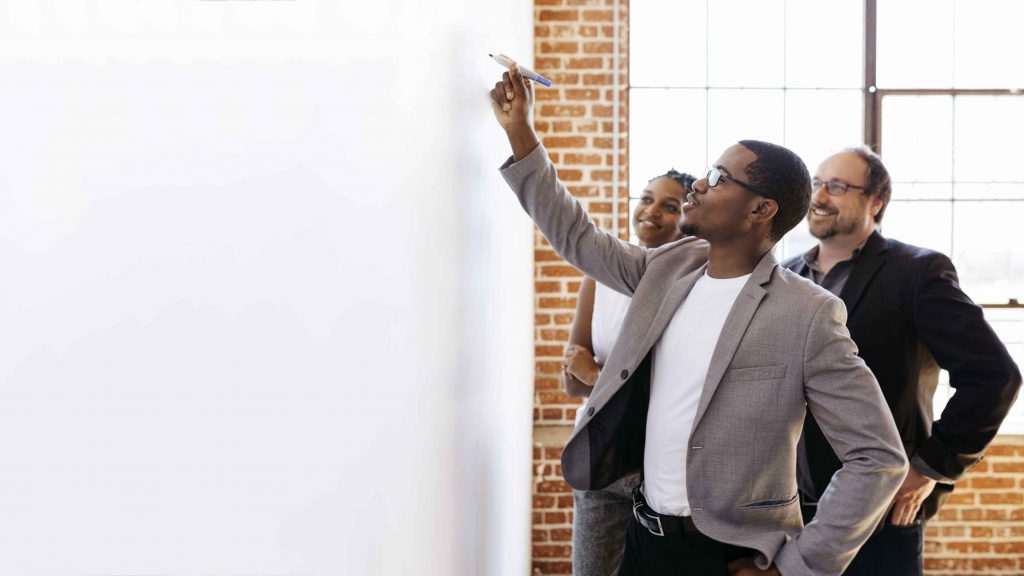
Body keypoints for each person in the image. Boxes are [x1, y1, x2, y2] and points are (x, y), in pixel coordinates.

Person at [490, 63, 908, 576]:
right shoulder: (668, 268)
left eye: (718, 178)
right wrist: (520, 131)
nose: (699, 184)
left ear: (760, 210)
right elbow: (577, 236)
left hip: (729, 556)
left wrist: (798, 566)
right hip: (643, 539)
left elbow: (878, 457)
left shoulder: (808, 313)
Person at [784, 147, 1022, 576]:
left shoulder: (916, 271)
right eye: (816, 184)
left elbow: (994, 376)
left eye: (836, 186)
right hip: (786, 514)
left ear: (875, 202)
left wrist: (931, 466)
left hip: (880, 514)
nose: (819, 196)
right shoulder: (785, 277)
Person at [562, 169, 696, 576]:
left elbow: (669, 387)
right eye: (646, 198)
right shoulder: (598, 278)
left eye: (670, 206)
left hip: (661, 467)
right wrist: (594, 375)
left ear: (689, 220)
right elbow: (571, 378)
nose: (651, 211)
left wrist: (595, 374)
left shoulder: (692, 287)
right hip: (600, 454)